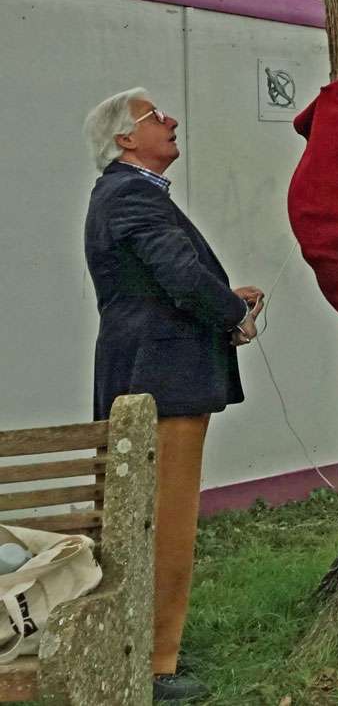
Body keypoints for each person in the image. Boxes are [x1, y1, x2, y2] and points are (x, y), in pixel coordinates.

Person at [83, 88, 262, 702]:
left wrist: (224, 298)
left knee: (148, 516)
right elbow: (180, 276)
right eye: (155, 116)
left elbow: (158, 281)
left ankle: (143, 648)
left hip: (150, 374)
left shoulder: (125, 194)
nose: (172, 120)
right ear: (125, 139)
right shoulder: (131, 194)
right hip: (160, 379)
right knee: (165, 520)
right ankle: (155, 662)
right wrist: (232, 313)